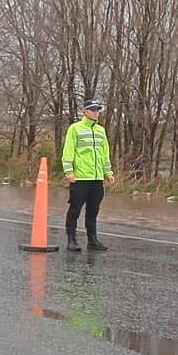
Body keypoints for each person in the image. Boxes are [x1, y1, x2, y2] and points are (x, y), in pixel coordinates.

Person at [61, 98, 114, 251]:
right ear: (84, 112)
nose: (96, 113)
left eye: (97, 110)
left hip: (97, 178)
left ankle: (93, 240)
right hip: (81, 177)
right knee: (75, 209)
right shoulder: (75, 128)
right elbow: (68, 151)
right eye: (92, 109)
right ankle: (71, 240)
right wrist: (68, 171)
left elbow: (105, 153)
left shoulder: (100, 130)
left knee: (93, 209)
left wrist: (108, 172)